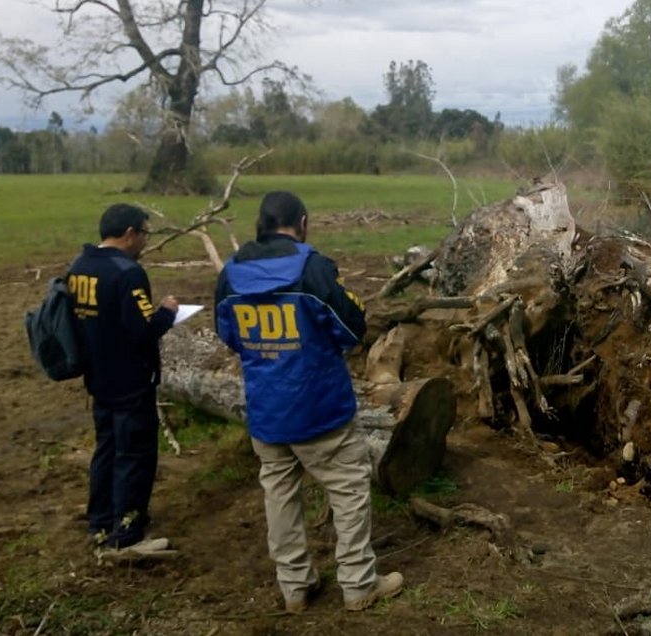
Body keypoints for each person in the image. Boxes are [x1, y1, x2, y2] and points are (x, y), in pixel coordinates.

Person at [213, 191, 403, 613]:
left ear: (261, 224)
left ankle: (295, 586)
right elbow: (351, 328)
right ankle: (359, 583)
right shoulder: (313, 269)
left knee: (279, 494)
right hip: (321, 408)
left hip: (266, 410)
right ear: (301, 223)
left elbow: (228, 335)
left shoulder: (231, 273)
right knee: (348, 488)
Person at [68, 203, 178, 551]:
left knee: (107, 449)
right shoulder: (128, 273)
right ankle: (127, 532)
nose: (145, 241)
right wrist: (167, 313)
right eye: (145, 233)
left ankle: (100, 523)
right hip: (130, 379)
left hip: (98, 377)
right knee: (135, 454)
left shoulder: (79, 266)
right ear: (130, 234)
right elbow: (142, 331)